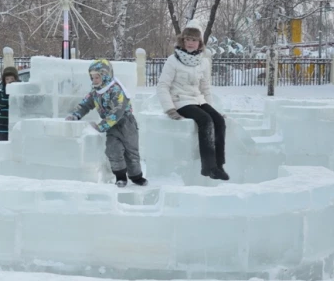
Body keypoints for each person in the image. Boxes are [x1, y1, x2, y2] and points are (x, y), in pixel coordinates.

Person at [156, 20, 229, 181]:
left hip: (198, 100)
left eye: (194, 40)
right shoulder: (173, 60)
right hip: (181, 101)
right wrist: (170, 109)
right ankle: (209, 167)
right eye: (187, 39)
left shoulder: (203, 62)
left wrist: (212, 108)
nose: (190, 43)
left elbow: (205, 88)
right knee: (205, 120)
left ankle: (219, 164)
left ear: (199, 43)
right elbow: (162, 86)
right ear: (182, 41)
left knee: (218, 121)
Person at [66, 59, 147, 188]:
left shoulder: (116, 90)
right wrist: (76, 115)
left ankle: (136, 176)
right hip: (111, 127)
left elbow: (118, 111)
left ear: (105, 76)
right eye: (92, 77)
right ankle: (120, 176)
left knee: (131, 152)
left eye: (97, 77)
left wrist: (101, 126)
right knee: (113, 150)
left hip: (126, 124)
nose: (94, 80)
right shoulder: (95, 93)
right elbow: (85, 104)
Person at [0, 66, 20, 141]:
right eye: (7, 79)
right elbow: (1, 103)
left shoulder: (19, 93)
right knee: (2, 147)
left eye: (12, 79)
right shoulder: (1, 93)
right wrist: (7, 92)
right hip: (3, 127)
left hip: (16, 127)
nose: (9, 81)